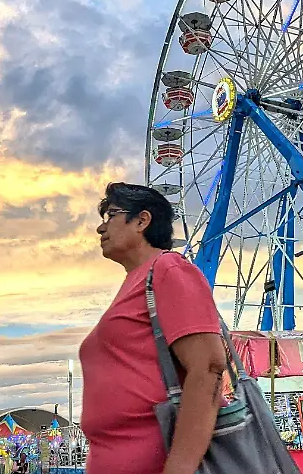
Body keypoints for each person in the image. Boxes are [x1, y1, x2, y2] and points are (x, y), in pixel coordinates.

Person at [79, 182, 226, 474]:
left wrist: (179, 468)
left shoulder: (168, 269)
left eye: (110, 215)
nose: (101, 228)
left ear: (142, 220)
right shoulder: (135, 281)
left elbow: (208, 366)